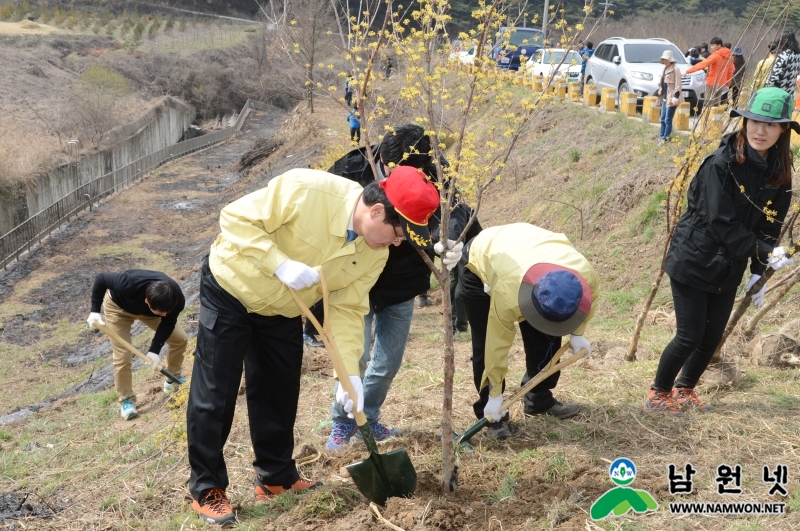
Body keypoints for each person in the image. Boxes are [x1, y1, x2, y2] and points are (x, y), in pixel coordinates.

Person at [186, 167, 441, 527]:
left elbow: (349, 308)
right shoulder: (307, 190)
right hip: (233, 286)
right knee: (216, 390)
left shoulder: (375, 253)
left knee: (280, 388)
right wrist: (280, 263)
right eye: (399, 234)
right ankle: (207, 488)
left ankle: (275, 477)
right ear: (377, 211)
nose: (397, 244)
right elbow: (234, 218)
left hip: (285, 307)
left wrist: (349, 372)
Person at [322, 124, 482, 451]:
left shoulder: (431, 170)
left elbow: (456, 210)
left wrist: (448, 238)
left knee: (387, 361)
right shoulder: (350, 170)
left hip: (402, 281)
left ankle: (371, 415)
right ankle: (343, 422)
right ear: (381, 158)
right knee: (357, 357)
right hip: (355, 283)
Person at [645, 87, 796, 416]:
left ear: (783, 129)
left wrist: (759, 271)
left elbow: (770, 223)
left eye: (770, 125)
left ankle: (685, 390)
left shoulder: (779, 173)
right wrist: (768, 252)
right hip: (693, 258)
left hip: (729, 266)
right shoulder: (721, 164)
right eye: (754, 121)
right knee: (689, 335)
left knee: (711, 338)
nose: (760, 130)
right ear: (743, 122)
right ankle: (659, 393)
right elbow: (722, 222)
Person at [459, 223, 599, 438]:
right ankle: (492, 414)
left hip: (528, 250)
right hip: (482, 257)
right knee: (484, 340)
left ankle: (538, 399)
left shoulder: (585, 274)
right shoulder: (508, 293)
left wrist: (577, 333)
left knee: (548, 335)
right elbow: (496, 345)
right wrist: (495, 394)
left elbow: (590, 300)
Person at [86, 270, 187, 420]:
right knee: (123, 355)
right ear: (147, 301)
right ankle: (126, 400)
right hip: (118, 308)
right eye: (162, 312)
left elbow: (167, 323)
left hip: (151, 312)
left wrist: (154, 350)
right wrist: (95, 311)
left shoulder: (175, 300)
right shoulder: (128, 283)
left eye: (167, 311)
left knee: (180, 339)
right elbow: (101, 278)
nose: (165, 314)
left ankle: (172, 380)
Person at [685, 37, 734, 109]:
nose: (711, 47)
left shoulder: (715, 55)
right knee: (716, 105)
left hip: (711, 83)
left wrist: (688, 71)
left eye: (713, 45)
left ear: (719, 45)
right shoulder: (730, 56)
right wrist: (728, 83)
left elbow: (702, 64)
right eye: (711, 45)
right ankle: (714, 119)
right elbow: (730, 71)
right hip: (721, 83)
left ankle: (707, 120)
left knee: (708, 104)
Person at [655, 50, 684, 145]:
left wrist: (676, 96)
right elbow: (662, 83)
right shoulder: (664, 69)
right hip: (664, 97)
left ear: (671, 60)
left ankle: (665, 138)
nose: (664, 61)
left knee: (668, 119)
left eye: (666, 59)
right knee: (662, 118)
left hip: (672, 97)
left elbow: (678, 84)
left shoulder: (675, 69)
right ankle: (661, 136)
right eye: (663, 59)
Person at [765, 31, 800, 96]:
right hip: (789, 93)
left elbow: (775, 77)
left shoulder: (783, 56)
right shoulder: (797, 56)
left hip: (778, 93)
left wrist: (766, 89)